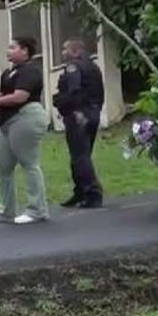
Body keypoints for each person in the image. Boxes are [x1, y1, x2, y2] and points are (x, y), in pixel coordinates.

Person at [0, 37, 50, 225]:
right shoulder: (9, 72)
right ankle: (6, 211)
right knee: (3, 164)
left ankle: (37, 209)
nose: (8, 51)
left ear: (25, 51)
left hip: (25, 117)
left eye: (13, 47)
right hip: (7, 123)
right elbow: (5, 93)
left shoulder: (30, 71)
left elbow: (20, 97)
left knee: (28, 162)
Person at [53, 39, 105, 208]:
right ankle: (81, 191)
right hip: (93, 112)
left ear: (75, 51)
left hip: (78, 114)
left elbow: (73, 91)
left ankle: (92, 193)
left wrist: (61, 102)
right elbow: (99, 92)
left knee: (79, 156)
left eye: (65, 49)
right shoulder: (93, 67)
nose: (63, 53)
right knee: (82, 154)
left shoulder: (73, 67)